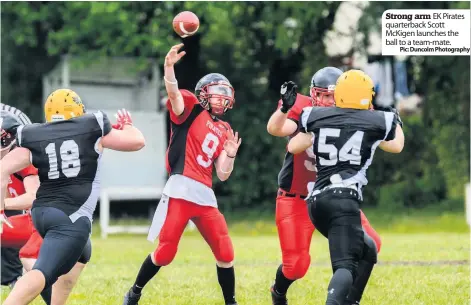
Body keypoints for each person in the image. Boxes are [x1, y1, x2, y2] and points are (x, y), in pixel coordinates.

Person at [0, 88, 145, 305]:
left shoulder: (35, 134)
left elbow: (2, 168)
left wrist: (1, 208)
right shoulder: (90, 128)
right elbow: (137, 142)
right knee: (42, 273)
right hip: (71, 218)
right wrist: (127, 125)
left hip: (42, 214)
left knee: (82, 252)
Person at [122, 43, 241, 305]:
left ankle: (231, 302)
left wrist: (230, 154)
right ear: (203, 94)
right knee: (165, 253)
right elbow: (174, 94)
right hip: (181, 190)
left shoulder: (225, 129)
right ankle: (135, 292)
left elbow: (222, 174)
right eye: (217, 92)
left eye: (225, 93)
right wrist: (168, 68)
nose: (222, 98)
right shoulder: (190, 109)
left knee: (225, 251)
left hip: (205, 195)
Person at [266, 67, 383, 305]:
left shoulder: (353, 111)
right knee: (296, 266)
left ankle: (348, 300)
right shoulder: (305, 110)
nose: (329, 101)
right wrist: (285, 109)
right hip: (296, 198)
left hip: (334, 194)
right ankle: (278, 291)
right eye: (324, 95)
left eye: (333, 95)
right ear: (313, 94)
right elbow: (276, 129)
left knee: (371, 246)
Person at [287, 69, 404, 305]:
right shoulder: (376, 120)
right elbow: (397, 146)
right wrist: (396, 120)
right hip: (344, 200)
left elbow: (293, 147)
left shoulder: (316, 115)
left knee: (368, 249)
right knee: (345, 267)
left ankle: (351, 302)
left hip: (317, 201)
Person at [1, 108, 94, 305]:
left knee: (30, 259)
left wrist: (3, 205)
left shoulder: (23, 157)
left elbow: (33, 196)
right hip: (62, 222)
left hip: (47, 223)